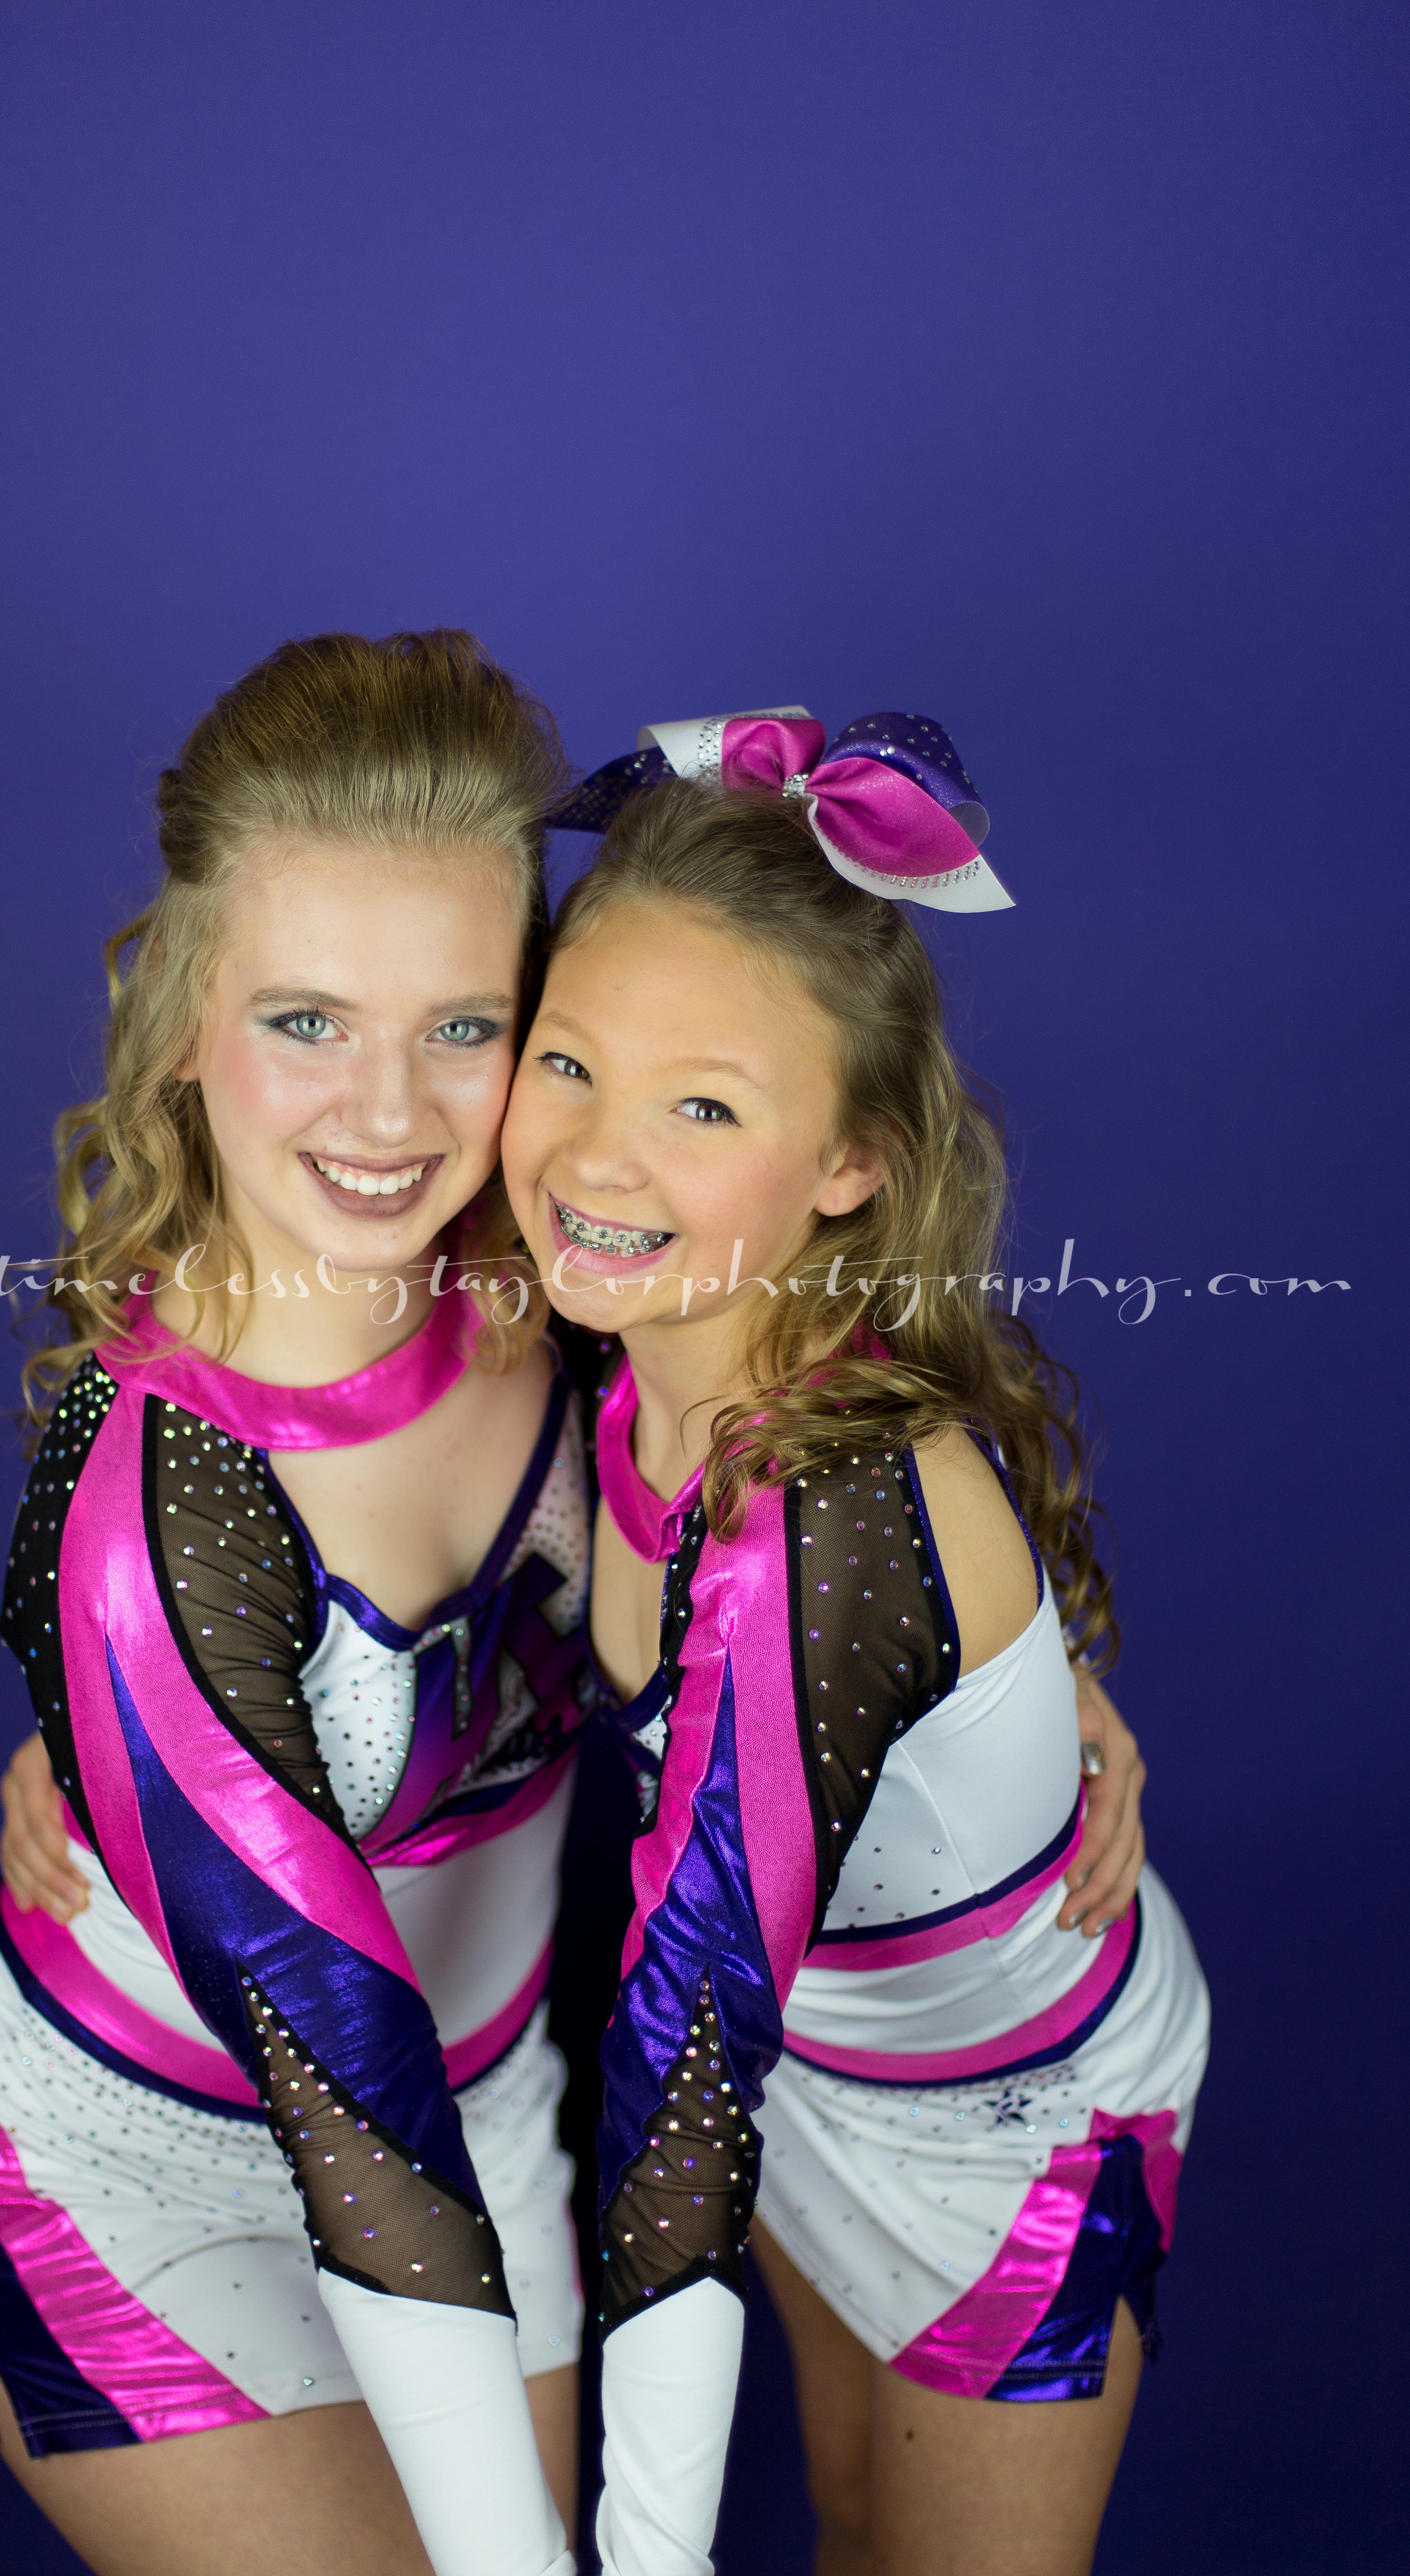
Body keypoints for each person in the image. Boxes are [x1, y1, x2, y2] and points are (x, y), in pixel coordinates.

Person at [0, 631, 593, 2576]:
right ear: (184, 1018)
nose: (389, 1112)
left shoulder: (570, 1282)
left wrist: (1028, 1683)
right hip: (140, 2172)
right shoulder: (150, 1502)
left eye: (463, 1026)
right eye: (307, 1020)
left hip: (489, 2120)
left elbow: (822, 1479)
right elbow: (340, 2080)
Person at [500, 710, 1210, 2576]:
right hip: (808, 2054)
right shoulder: (596, 1333)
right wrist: (90, 1736)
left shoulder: (823, 1536)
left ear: (848, 1166)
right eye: (568, 1061)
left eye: (705, 1107)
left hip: (1000, 2132)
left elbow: (678, 2081)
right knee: (845, 2517)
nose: (596, 1154)